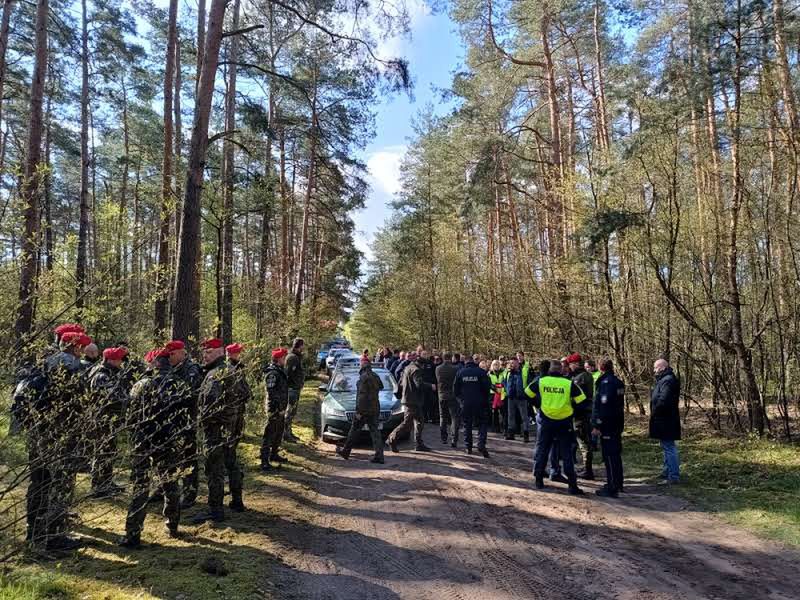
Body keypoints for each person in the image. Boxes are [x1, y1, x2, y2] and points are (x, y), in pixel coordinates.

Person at [24, 326, 88, 552]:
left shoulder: (44, 361)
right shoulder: (70, 365)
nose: (83, 350)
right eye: (81, 345)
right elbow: (79, 402)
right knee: (59, 483)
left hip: (38, 432)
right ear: (74, 345)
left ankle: (33, 531)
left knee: (39, 481)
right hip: (59, 435)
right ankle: (55, 536)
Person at [119, 349, 187, 547]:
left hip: (144, 441)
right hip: (169, 440)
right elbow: (186, 414)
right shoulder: (179, 384)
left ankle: (133, 534)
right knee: (171, 483)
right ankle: (172, 525)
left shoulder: (141, 385)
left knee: (140, 486)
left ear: (153, 363)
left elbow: (129, 415)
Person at [193, 338, 248, 523]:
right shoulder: (232, 370)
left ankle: (216, 510)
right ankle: (237, 500)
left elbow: (209, 407)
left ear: (219, 351)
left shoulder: (216, 374)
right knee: (232, 464)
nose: (204, 355)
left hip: (216, 431)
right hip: (230, 430)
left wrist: (204, 422)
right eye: (204, 352)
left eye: (209, 352)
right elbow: (244, 397)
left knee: (214, 470)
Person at [528, 360, 587, 495]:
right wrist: (573, 411)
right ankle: (572, 485)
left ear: (549, 370)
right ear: (561, 370)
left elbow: (527, 393)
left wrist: (539, 405)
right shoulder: (568, 383)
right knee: (566, 453)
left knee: (543, 449)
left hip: (546, 420)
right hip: (564, 422)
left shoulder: (542, 381)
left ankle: (539, 480)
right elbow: (582, 400)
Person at [86, 347, 129, 498]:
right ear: (110, 360)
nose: (121, 362)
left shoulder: (107, 372)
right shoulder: (101, 375)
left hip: (108, 420)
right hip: (101, 420)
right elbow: (114, 397)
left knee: (109, 451)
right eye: (118, 359)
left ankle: (107, 482)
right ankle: (99, 487)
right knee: (102, 452)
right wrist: (129, 398)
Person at [167, 340, 203, 509]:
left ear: (182, 352)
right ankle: (165, 491)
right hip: (172, 421)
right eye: (169, 354)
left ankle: (189, 494)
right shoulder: (172, 368)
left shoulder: (191, 369)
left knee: (188, 458)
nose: (170, 357)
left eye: (173, 354)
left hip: (186, 420)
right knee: (169, 458)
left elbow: (188, 393)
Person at [336, 357, 385, 464]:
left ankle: (345, 451)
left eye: (360, 363)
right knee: (375, 432)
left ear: (362, 365)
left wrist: (358, 412)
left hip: (364, 410)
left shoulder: (363, 378)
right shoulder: (375, 376)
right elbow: (381, 386)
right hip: (375, 408)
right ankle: (379, 456)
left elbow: (361, 397)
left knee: (354, 430)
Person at [386, 350, 434, 453]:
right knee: (407, 424)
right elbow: (419, 385)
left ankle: (419, 444)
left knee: (420, 421)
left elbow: (401, 383)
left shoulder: (408, 368)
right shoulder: (416, 370)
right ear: (422, 365)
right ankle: (391, 439)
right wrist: (431, 386)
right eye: (424, 366)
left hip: (410, 399)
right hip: (412, 401)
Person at [592, 358, 625, 498]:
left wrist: (598, 424)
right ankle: (617, 482)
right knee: (615, 454)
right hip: (617, 422)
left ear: (601, 368)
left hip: (608, 424)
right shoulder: (618, 382)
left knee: (610, 456)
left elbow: (604, 405)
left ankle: (612, 487)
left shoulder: (607, 383)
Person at [650, 358, 681, 484]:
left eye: (655, 368)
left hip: (666, 419)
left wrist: (655, 411)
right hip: (663, 418)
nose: (654, 370)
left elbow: (664, 400)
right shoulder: (664, 380)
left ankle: (673, 476)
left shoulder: (668, 380)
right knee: (665, 445)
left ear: (662, 368)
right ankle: (667, 471)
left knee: (669, 447)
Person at [454, 355, 492, 458]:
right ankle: (481, 443)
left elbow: (455, 390)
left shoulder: (460, 372)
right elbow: (487, 388)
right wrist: (485, 400)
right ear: (473, 361)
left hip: (466, 403)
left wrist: (461, 401)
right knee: (482, 423)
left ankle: (468, 446)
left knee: (467, 424)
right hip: (480, 403)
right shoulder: (481, 372)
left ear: (465, 362)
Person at [568, 353, 596, 480]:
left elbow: (577, 398)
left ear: (575, 364)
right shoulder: (587, 375)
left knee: (583, 442)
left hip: (581, 413)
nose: (569, 367)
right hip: (586, 412)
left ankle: (588, 470)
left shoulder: (579, 378)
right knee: (584, 441)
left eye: (570, 364)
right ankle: (586, 467)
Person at [261, 348, 289, 471]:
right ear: (279, 359)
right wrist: (278, 408)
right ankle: (264, 460)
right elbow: (271, 392)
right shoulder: (272, 373)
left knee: (278, 432)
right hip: (274, 409)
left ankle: (274, 454)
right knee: (269, 434)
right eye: (284, 358)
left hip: (281, 409)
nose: (285, 360)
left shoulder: (279, 371)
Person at [226, 343, 252, 472]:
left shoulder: (238, 367)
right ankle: (227, 464)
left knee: (236, 435)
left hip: (239, 408)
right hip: (232, 409)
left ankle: (231, 461)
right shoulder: (229, 369)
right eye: (237, 352)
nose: (239, 355)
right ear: (230, 354)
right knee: (229, 438)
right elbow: (234, 389)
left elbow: (243, 385)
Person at [436, 352, 461, 447]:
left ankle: (443, 438)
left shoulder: (438, 369)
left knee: (443, 417)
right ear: (450, 359)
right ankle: (454, 439)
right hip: (452, 395)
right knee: (454, 417)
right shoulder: (455, 369)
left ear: (443, 358)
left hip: (442, 395)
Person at [283, 338, 306, 442]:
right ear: (299, 346)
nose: (303, 347)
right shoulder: (292, 358)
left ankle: (289, 432)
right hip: (291, 389)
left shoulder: (297, 357)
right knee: (289, 413)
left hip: (295, 388)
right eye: (302, 345)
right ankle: (285, 434)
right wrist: (290, 387)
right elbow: (288, 374)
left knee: (292, 413)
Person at [504, 358, 530, 442]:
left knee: (524, 416)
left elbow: (529, 382)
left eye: (513, 363)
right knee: (510, 416)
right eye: (510, 363)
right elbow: (504, 382)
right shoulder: (507, 372)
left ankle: (526, 434)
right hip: (511, 397)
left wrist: (525, 393)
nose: (512, 364)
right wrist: (507, 390)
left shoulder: (523, 371)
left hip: (521, 397)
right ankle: (511, 433)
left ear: (517, 363)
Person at [488, 360, 507, 434]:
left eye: (497, 364)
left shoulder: (504, 372)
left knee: (503, 412)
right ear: (492, 365)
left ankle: (504, 427)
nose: (496, 366)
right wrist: (496, 389)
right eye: (494, 364)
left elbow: (505, 381)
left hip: (502, 394)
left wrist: (501, 387)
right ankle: (496, 428)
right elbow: (488, 383)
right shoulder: (489, 374)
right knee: (495, 412)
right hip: (493, 395)